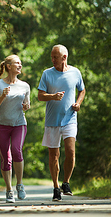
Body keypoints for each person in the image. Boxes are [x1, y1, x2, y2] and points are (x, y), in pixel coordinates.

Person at [38, 45, 85, 202]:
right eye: (51, 57)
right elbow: (40, 96)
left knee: (71, 152)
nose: (52, 60)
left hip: (70, 119)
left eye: (55, 57)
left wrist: (78, 103)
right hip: (52, 121)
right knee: (54, 155)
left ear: (64, 57)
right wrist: (52, 96)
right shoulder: (47, 74)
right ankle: (56, 187)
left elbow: (82, 90)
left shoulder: (75, 72)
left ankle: (66, 182)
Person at [0, 55, 31, 203]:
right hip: (1, 125)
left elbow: (27, 104)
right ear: (8, 66)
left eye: (21, 63)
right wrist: (2, 96)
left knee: (17, 150)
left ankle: (19, 185)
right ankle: (9, 190)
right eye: (17, 63)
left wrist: (27, 106)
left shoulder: (25, 86)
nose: (20, 65)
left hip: (19, 124)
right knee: (6, 159)